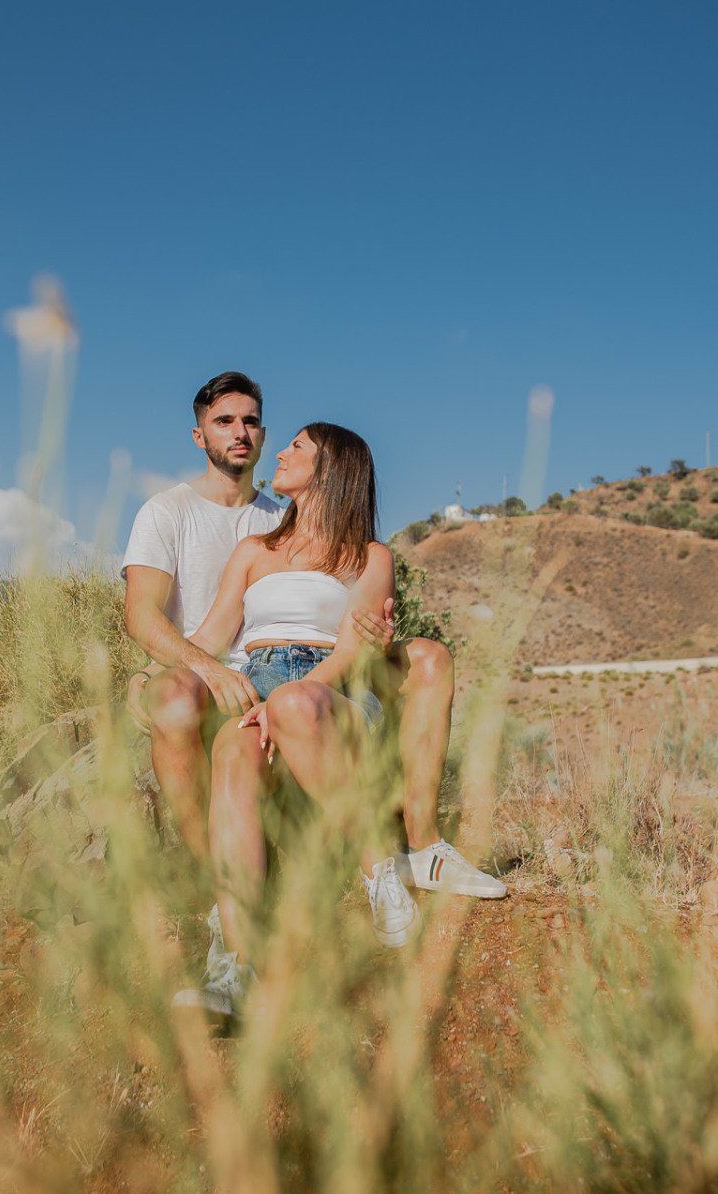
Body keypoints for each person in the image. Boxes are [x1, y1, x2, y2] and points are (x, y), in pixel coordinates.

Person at [122, 376, 503, 1006]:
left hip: (330, 689)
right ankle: (234, 967)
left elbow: (354, 651)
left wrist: (289, 697)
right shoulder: (254, 548)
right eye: (228, 423)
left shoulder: (368, 556)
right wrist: (164, 672)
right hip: (259, 678)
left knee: (297, 704)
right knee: (231, 752)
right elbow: (213, 634)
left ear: (331, 469)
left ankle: (382, 872)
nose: (275, 450)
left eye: (295, 445)